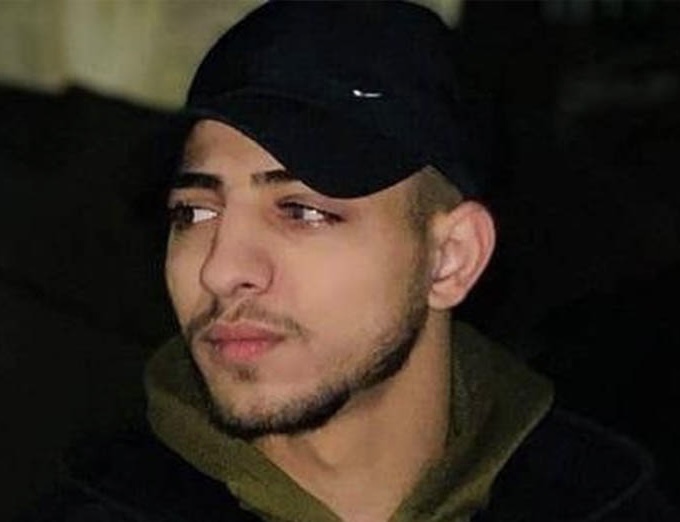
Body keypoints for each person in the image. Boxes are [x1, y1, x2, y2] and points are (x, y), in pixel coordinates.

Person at [24, 2, 676, 521]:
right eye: (193, 213)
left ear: (450, 259)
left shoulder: (603, 502)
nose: (220, 270)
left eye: (302, 212)